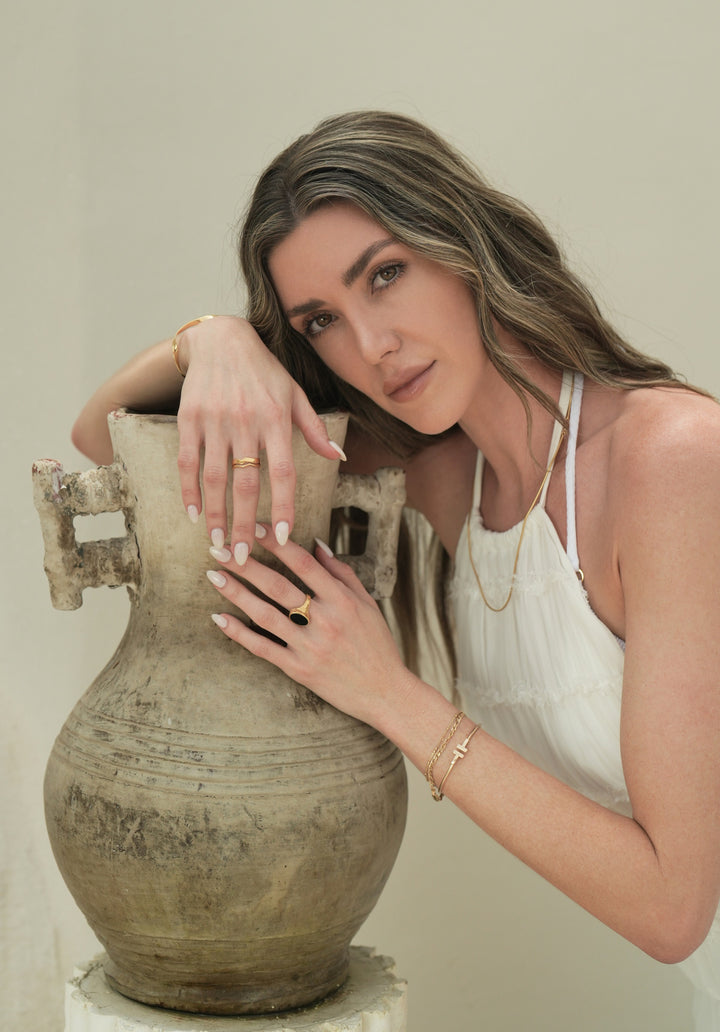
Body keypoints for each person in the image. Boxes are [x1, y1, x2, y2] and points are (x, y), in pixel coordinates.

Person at [72, 111, 720, 1028]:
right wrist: (211, 340)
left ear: (462, 246)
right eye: (321, 321)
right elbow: (104, 438)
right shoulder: (445, 472)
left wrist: (388, 694)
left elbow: (672, 909)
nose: (370, 345)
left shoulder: (673, 457)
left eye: (386, 274)